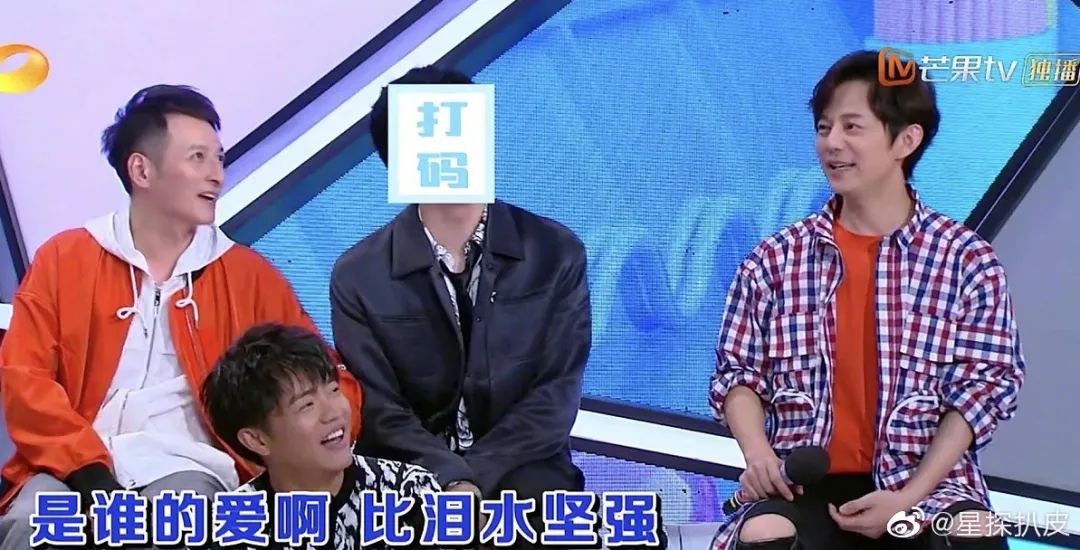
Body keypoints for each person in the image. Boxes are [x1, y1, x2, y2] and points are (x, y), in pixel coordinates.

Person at [0, 85, 361, 548]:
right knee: (30, 523)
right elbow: (24, 379)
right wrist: (86, 469)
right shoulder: (65, 258)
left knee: (181, 525)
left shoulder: (248, 275)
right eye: (198, 158)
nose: (216, 176)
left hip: (190, 465)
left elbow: (328, 378)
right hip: (70, 465)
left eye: (219, 159)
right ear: (141, 170)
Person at [708, 50, 1025, 550]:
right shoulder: (774, 260)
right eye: (823, 127)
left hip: (926, 485)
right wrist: (760, 456)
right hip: (804, 485)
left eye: (852, 127)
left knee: (975, 534)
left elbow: (981, 391)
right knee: (766, 533)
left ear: (906, 140)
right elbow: (738, 376)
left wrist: (908, 498)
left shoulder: (967, 260)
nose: (832, 143)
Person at [330, 66, 596, 549]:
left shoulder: (555, 252)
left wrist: (475, 476)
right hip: (407, 475)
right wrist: (448, 477)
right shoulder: (358, 275)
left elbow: (556, 395)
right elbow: (379, 408)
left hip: (526, 468)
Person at [202, 323, 441, 550]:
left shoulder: (408, 493)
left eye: (334, 390)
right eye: (307, 405)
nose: (333, 412)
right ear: (257, 440)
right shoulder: (234, 528)